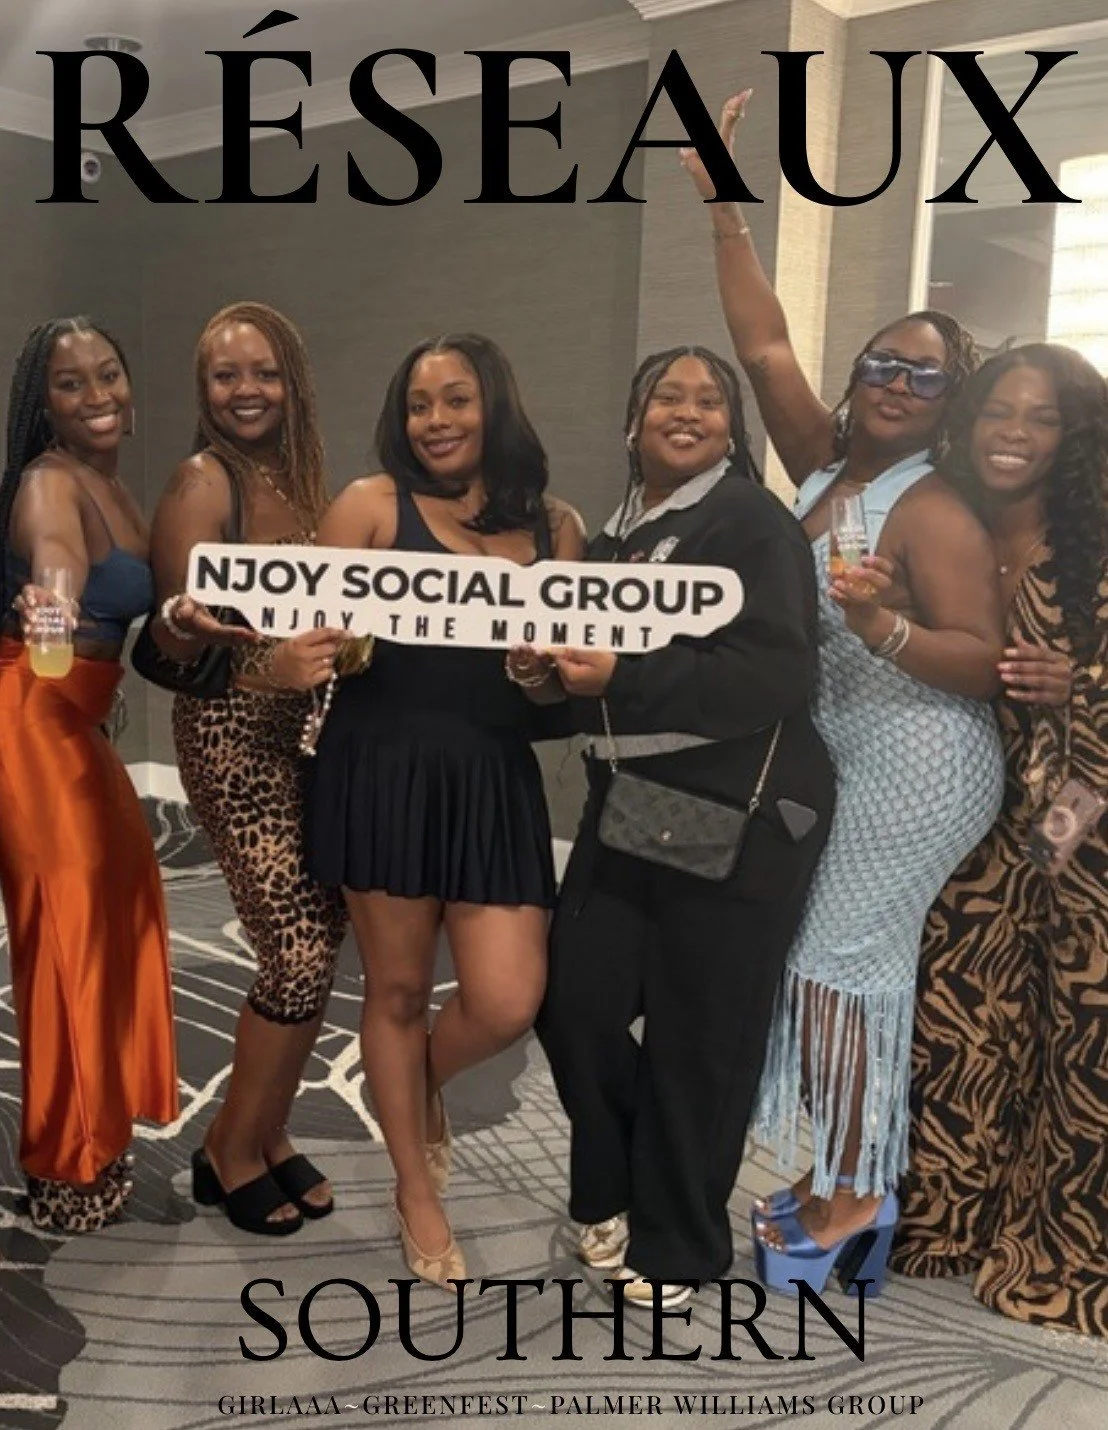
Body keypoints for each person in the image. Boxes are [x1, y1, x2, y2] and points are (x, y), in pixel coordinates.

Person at [681, 94, 1007, 1295]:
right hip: (845, 751)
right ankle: (838, 1168)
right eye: (879, 359)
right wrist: (723, 202)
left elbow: (979, 654)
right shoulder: (824, 457)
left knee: (836, 960)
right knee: (830, 964)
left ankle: (861, 1194)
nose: (890, 381)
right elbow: (763, 343)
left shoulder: (929, 502)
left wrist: (882, 621)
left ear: (947, 405)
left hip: (921, 754)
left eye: (920, 375)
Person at [530, 345, 835, 1307]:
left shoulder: (749, 522)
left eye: (711, 400)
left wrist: (618, 677)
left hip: (739, 809)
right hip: (639, 804)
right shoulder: (618, 536)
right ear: (633, 419)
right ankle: (611, 1186)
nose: (689, 410)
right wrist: (546, 682)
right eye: (669, 393)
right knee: (572, 1003)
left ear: (732, 429)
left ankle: (679, 1242)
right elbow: (606, 694)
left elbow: (777, 678)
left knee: (701, 1036)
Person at [305, 333, 586, 1287]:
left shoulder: (558, 529)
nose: (436, 421)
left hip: (492, 777)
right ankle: (414, 1189)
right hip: (382, 765)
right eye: (419, 404)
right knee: (392, 990)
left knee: (508, 999)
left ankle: (409, 1080)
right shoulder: (370, 505)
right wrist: (331, 644)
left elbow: (558, 694)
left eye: (455, 400)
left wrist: (539, 672)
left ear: (494, 405)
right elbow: (315, 646)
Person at [890, 344, 1108, 1337]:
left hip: (1090, 836)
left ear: (1074, 440)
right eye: (996, 412)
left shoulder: (1093, 549)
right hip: (992, 828)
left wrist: (1088, 686)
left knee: (1077, 1038)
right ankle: (954, 1212)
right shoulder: (955, 530)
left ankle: (1065, 1243)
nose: (1012, 434)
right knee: (961, 1019)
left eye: (1040, 418)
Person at [147, 302, 348, 1236]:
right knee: (295, 950)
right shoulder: (203, 480)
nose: (246, 391)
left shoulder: (305, 481)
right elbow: (180, 644)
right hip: (234, 746)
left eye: (263, 372)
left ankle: (262, 1132)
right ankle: (226, 1147)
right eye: (226, 376)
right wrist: (265, 665)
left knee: (317, 943)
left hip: (306, 738)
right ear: (204, 390)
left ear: (292, 378)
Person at [0, 316, 178, 1233]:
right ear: (45, 406)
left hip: (75, 724)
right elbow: (57, 570)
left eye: (108, 373)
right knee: (64, 939)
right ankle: (64, 1165)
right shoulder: (46, 486)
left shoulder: (113, 485)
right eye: (72, 385)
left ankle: (100, 1129)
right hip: (31, 717)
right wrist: (53, 616)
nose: (98, 394)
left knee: (125, 906)